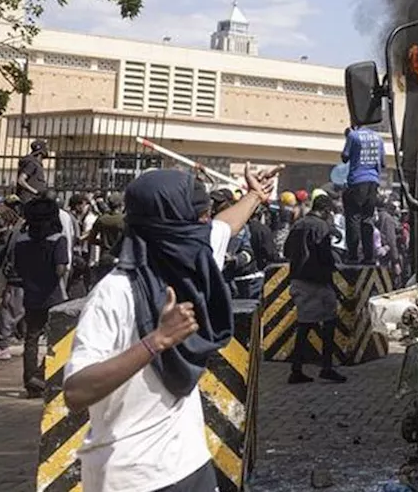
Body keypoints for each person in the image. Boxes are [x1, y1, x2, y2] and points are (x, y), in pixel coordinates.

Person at [62, 164, 280, 491]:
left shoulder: (190, 262)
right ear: (172, 225)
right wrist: (156, 341)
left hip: (189, 465)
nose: (202, 225)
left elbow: (224, 227)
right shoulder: (114, 293)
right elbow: (76, 392)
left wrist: (254, 196)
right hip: (131, 478)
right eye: (194, 218)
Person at [283, 192, 346, 384]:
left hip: (298, 280)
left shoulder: (299, 224)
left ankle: (297, 368)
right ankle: (326, 367)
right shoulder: (322, 227)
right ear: (326, 210)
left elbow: (286, 251)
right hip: (317, 282)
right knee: (328, 322)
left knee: (304, 324)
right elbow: (325, 256)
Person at [16, 196, 70, 397]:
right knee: (59, 339)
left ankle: (30, 381)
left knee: (31, 338)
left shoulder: (21, 240)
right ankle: (40, 375)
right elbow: (60, 269)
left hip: (30, 294)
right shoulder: (58, 240)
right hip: (54, 295)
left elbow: (18, 267)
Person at [340, 124, 386, 264]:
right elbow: (382, 163)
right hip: (373, 182)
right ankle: (368, 257)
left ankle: (352, 255)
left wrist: (348, 137)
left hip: (357, 181)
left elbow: (345, 157)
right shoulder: (379, 138)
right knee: (367, 219)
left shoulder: (354, 136)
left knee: (353, 218)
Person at [89, 193, 126, 285]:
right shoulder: (125, 220)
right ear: (121, 205)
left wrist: (102, 242)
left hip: (105, 256)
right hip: (120, 257)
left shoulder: (102, 219)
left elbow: (91, 239)